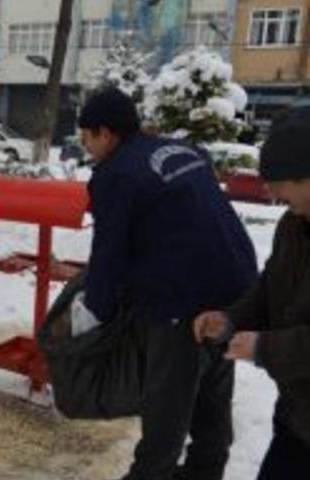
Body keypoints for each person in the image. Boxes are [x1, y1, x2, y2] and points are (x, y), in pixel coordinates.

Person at [76, 87, 258, 480]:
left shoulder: (116, 174)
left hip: (183, 298)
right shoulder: (181, 150)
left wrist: (97, 313)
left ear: (105, 134)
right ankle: (204, 473)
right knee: (212, 387)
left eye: (86, 137)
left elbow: (109, 251)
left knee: (167, 403)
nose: (85, 146)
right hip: (237, 284)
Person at [194, 110, 310, 479]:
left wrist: (264, 348)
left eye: (278, 182)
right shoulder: (293, 225)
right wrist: (230, 320)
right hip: (297, 410)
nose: (271, 193)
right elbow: (268, 289)